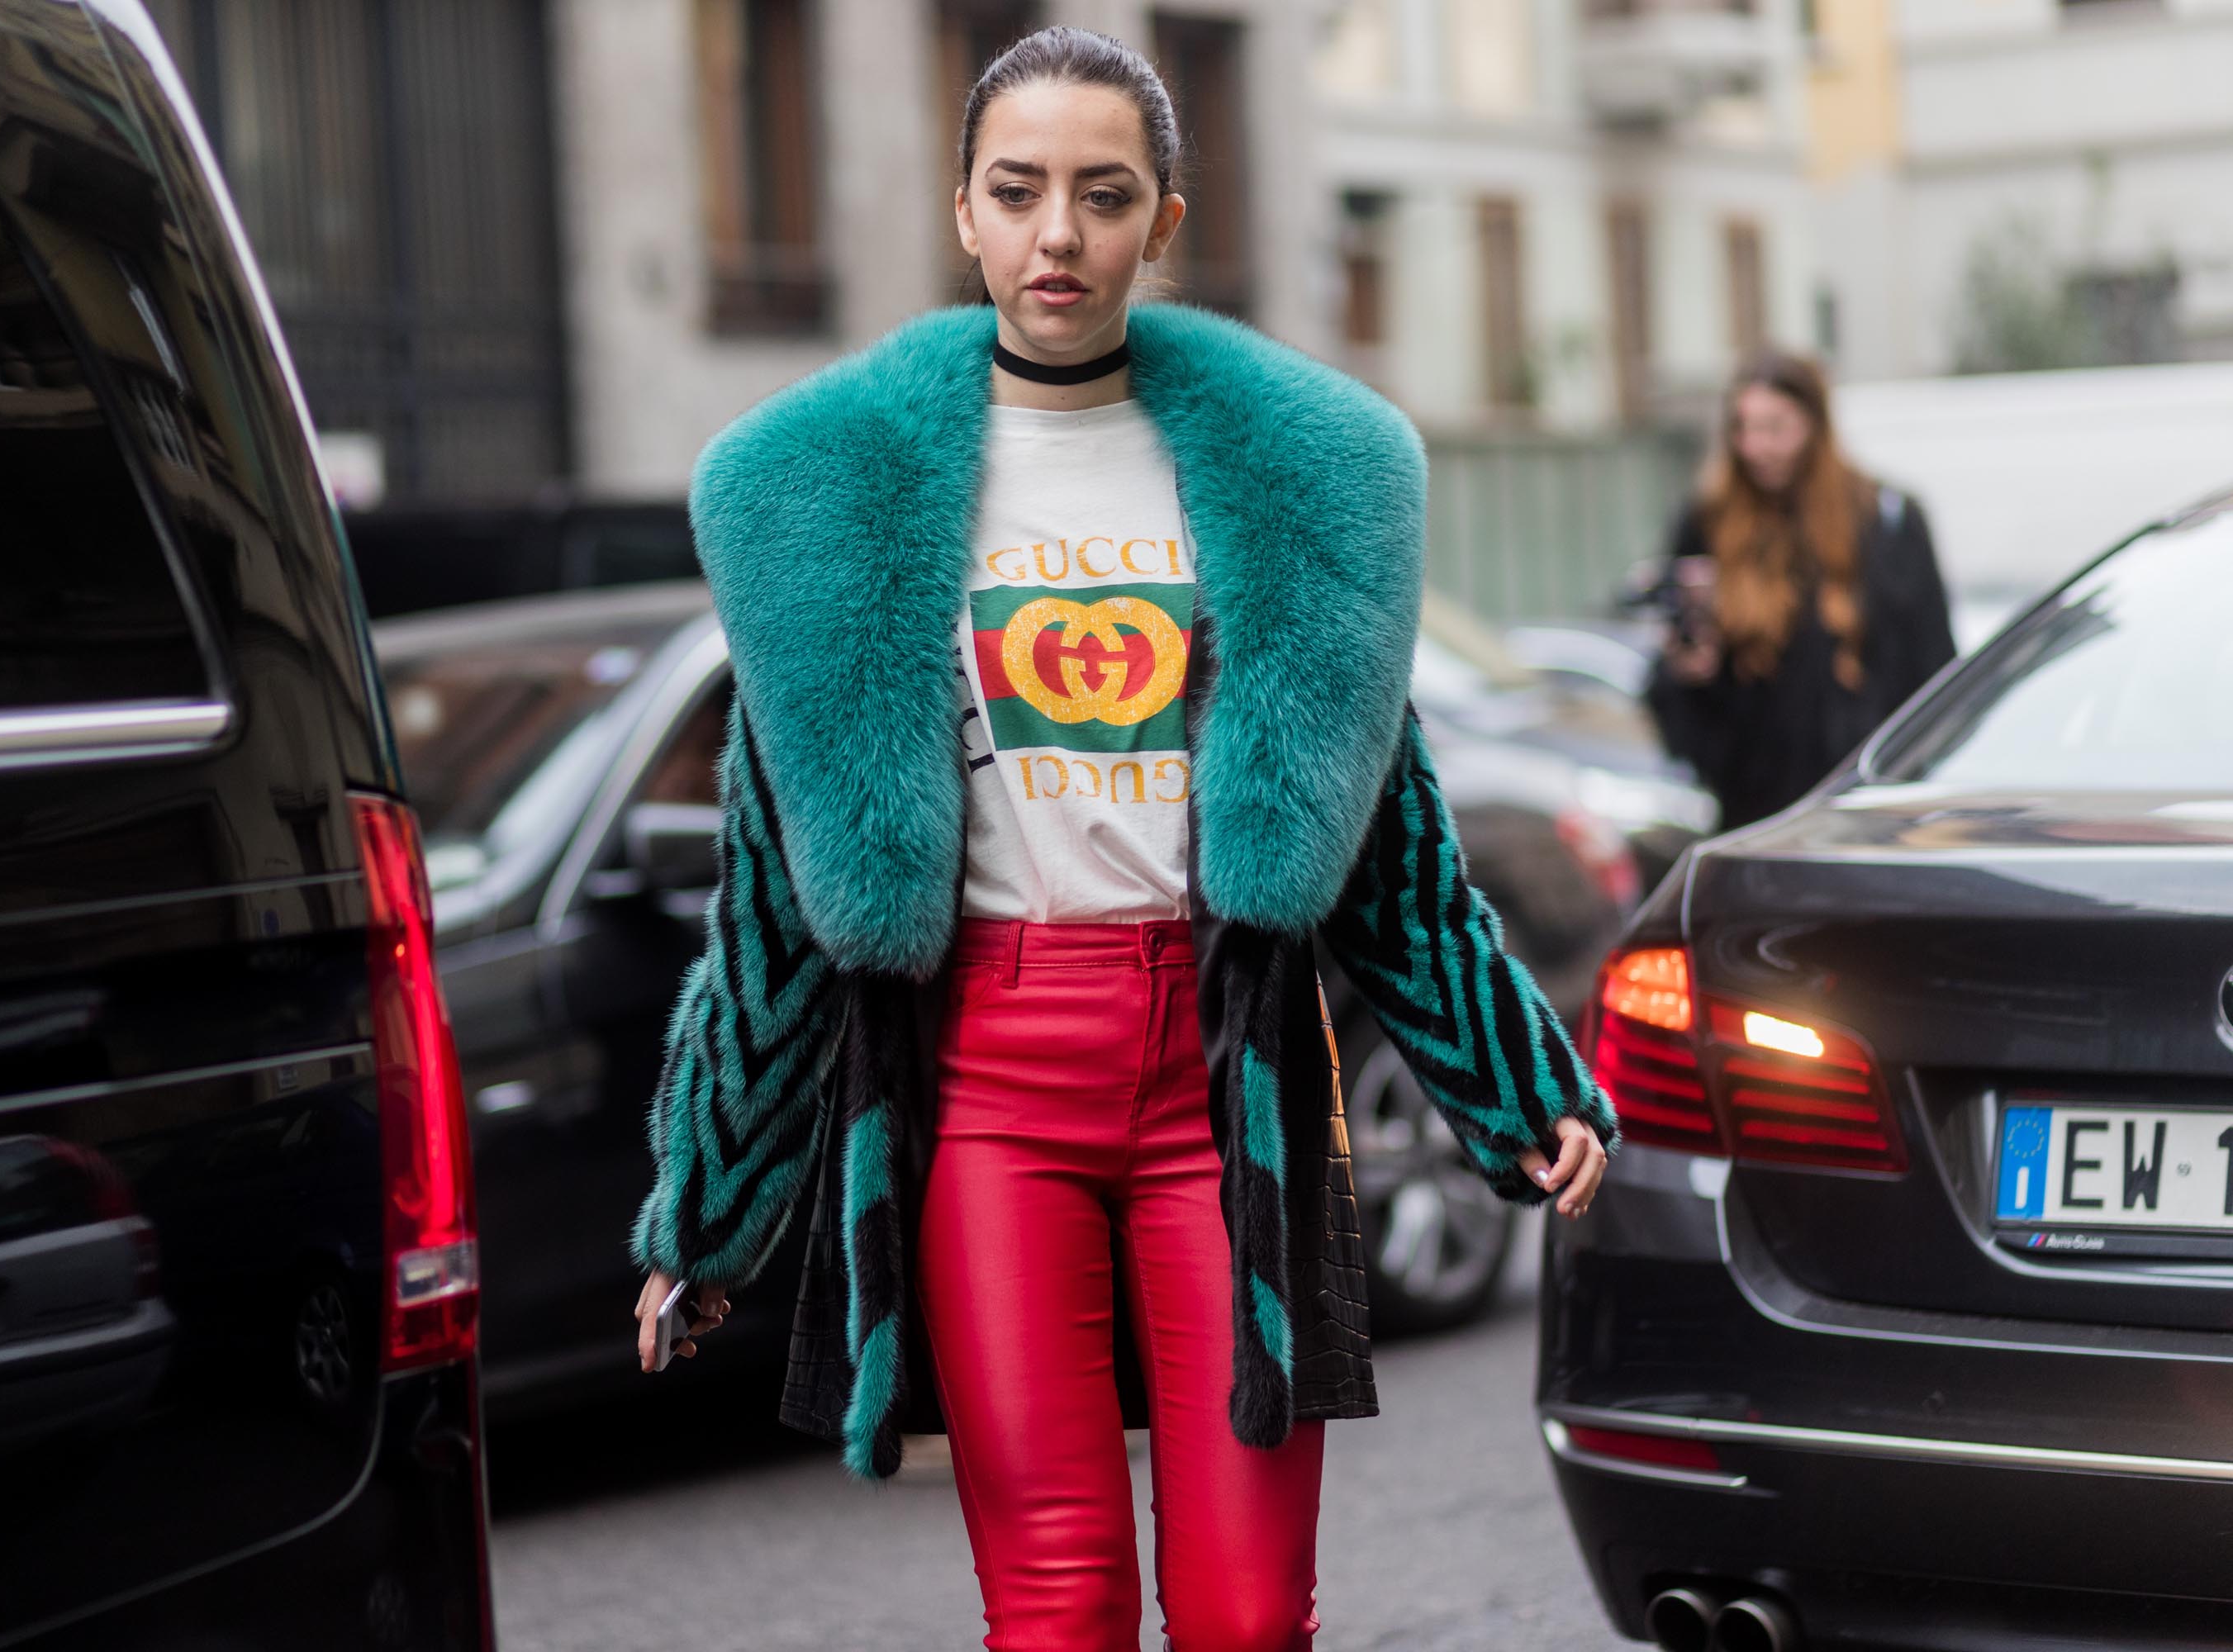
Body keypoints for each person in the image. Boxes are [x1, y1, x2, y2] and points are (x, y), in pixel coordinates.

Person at [629, 27, 1613, 1652]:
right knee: (1057, 1604)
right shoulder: (840, 488)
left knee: (1245, 1616)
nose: (1057, 235)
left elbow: (1386, 829)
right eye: (1018, 193)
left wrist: (1517, 1085)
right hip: (987, 1094)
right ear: (963, 211)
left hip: (1226, 1084)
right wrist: (708, 1210)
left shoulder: (1294, 476)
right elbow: (775, 899)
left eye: (1102, 195)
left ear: (1162, 219)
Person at [1646, 351, 1956, 831]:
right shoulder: (1709, 522)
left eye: (1775, 428)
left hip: (1865, 810)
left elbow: (1934, 670)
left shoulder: (1887, 522)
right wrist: (1690, 672)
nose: (1754, 447)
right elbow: (1679, 698)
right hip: (1755, 813)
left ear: (1815, 426)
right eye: (1743, 428)